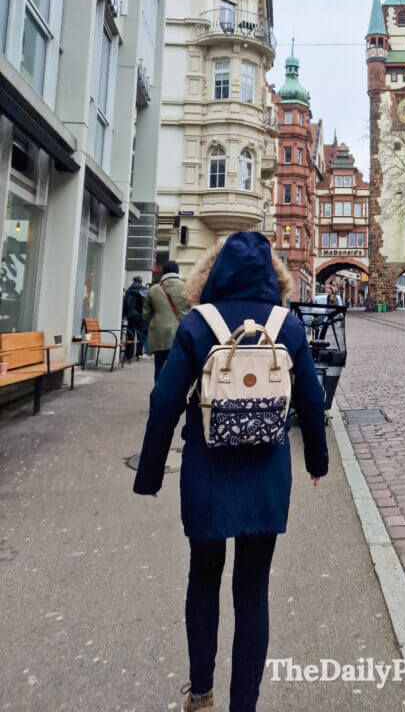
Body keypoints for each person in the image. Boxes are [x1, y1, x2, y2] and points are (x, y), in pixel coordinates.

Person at [133, 231, 328, 712]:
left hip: (207, 472)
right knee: (253, 589)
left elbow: (163, 402)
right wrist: (316, 462)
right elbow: (311, 400)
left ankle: (201, 696)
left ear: (213, 273)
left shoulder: (200, 323)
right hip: (266, 475)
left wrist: (152, 473)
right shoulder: (289, 325)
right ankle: (245, 705)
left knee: (204, 577)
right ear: (273, 275)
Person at [145, 260, 189, 381]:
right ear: (177, 271)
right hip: (181, 333)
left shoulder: (153, 289)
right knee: (179, 368)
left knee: (159, 366)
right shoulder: (187, 287)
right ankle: (176, 396)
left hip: (160, 335)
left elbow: (146, 314)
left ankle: (159, 396)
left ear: (163, 272)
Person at [123, 276, 146, 361]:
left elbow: (125, 303)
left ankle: (128, 354)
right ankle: (138, 354)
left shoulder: (129, 290)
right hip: (141, 315)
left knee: (130, 334)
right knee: (140, 335)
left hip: (131, 315)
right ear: (141, 281)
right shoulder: (144, 290)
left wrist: (124, 314)